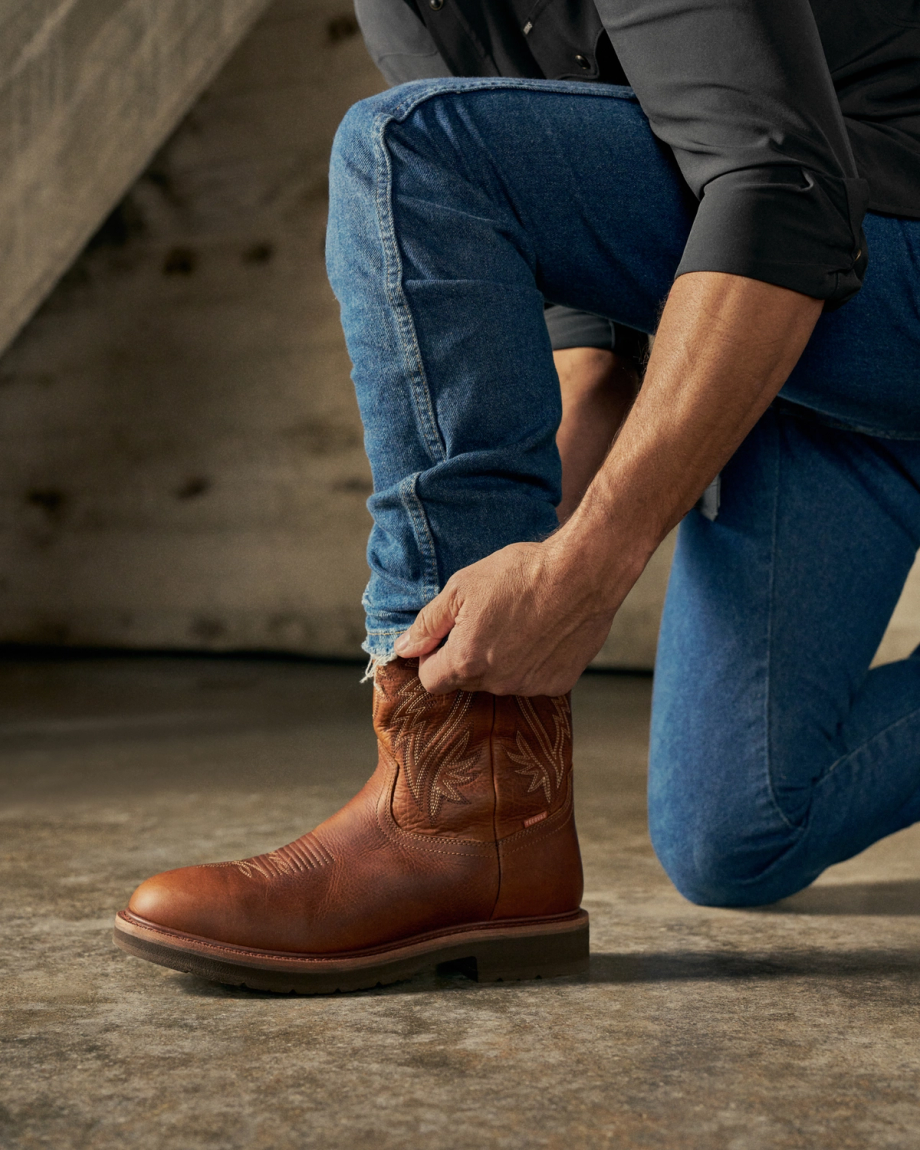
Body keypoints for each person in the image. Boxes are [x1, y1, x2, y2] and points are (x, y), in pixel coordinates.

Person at [114, 0, 920, 993]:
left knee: (412, 146)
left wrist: (587, 568)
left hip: (868, 276)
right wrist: (459, 628)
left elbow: (782, 195)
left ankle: (456, 831)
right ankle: (475, 802)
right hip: (813, 378)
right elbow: (589, 325)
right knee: (739, 828)